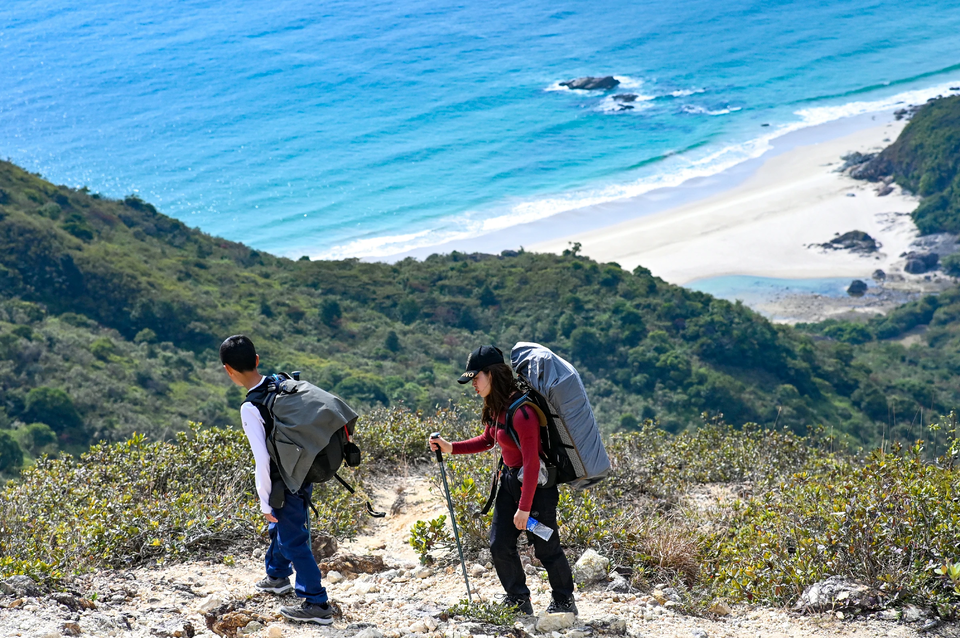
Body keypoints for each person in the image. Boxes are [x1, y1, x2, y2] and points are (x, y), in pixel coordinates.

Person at [428, 345, 577, 616]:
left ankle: (564, 600)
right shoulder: (499, 407)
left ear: (492, 374)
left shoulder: (523, 413)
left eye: (476, 377)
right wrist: (450, 447)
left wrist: (524, 507)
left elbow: (532, 464)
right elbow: (488, 440)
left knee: (546, 547)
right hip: (509, 482)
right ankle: (519, 600)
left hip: (536, 490)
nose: (473, 383)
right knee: (499, 543)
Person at [219, 334, 334, 625]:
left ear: (228, 370)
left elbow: (262, 460)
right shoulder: (278, 383)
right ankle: (277, 576)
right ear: (257, 361)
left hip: (283, 481)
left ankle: (316, 603)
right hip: (303, 468)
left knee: (294, 539)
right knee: (282, 529)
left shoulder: (251, 407)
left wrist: (263, 501)